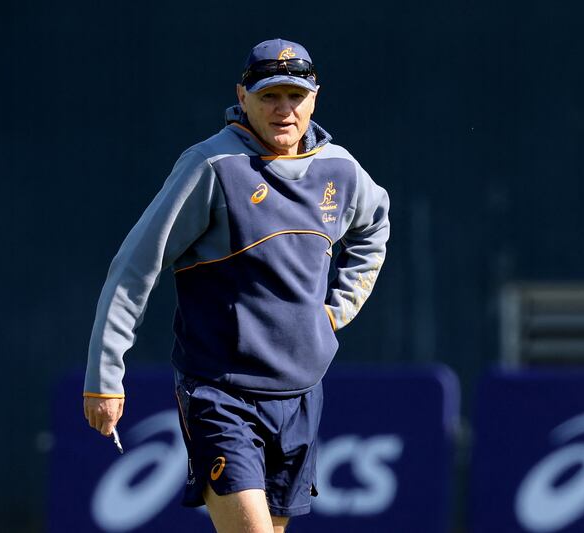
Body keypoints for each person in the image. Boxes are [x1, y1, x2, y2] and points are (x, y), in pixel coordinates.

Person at [82, 38, 390, 533]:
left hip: (300, 393)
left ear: (315, 97)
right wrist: (104, 375)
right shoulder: (212, 166)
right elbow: (134, 268)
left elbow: (375, 226)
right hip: (221, 393)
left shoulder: (342, 169)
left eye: (295, 95)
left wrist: (334, 310)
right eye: (269, 96)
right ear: (242, 97)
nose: (284, 110)